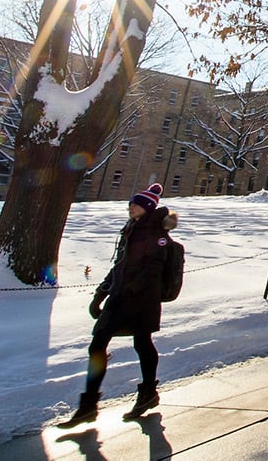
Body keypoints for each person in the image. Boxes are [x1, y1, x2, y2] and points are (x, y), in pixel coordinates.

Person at [61, 183, 177, 428]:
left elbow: (152, 270)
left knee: (141, 343)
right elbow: (119, 266)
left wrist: (130, 290)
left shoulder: (157, 236)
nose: (130, 207)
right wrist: (100, 293)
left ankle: (146, 393)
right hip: (119, 298)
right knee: (99, 345)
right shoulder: (131, 230)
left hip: (141, 300)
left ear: (146, 208)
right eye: (130, 204)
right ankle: (89, 404)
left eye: (135, 204)